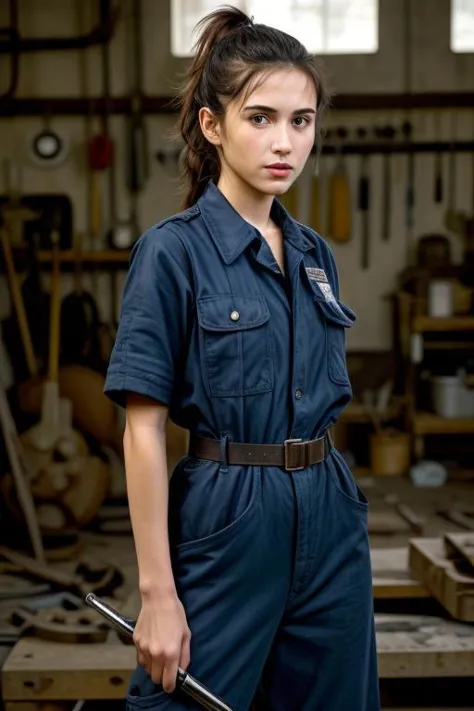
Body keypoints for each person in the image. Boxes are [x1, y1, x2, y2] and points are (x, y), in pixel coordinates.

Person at [104, 6, 380, 711]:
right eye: (260, 117)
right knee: (179, 700)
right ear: (211, 125)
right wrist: (157, 593)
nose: (284, 141)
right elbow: (142, 429)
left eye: (302, 120)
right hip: (229, 513)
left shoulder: (315, 254)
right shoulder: (173, 253)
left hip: (328, 506)